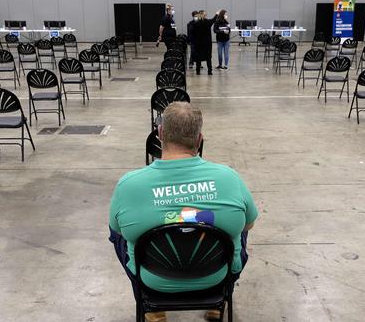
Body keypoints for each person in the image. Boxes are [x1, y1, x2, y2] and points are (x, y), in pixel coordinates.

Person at [108, 102, 258, 322]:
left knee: (119, 235)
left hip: (153, 279)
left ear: (159, 134)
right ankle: (219, 303)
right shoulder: (229, 178)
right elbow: (249, 224)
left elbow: (117, 229)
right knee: (239, 228)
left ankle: (151, 309)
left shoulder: (128, 185)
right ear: (199, 140)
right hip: (216, 276)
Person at [192, 10, 220, 75]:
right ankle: (209, 71)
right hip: (207, 43)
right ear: (204, 15)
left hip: (198, 43)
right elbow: (213, 20)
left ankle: (197, 71)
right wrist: (216, 14)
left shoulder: (196, 23)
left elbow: (193, 32)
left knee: (198, 58)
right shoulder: (207, 22)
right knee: (208, 57)